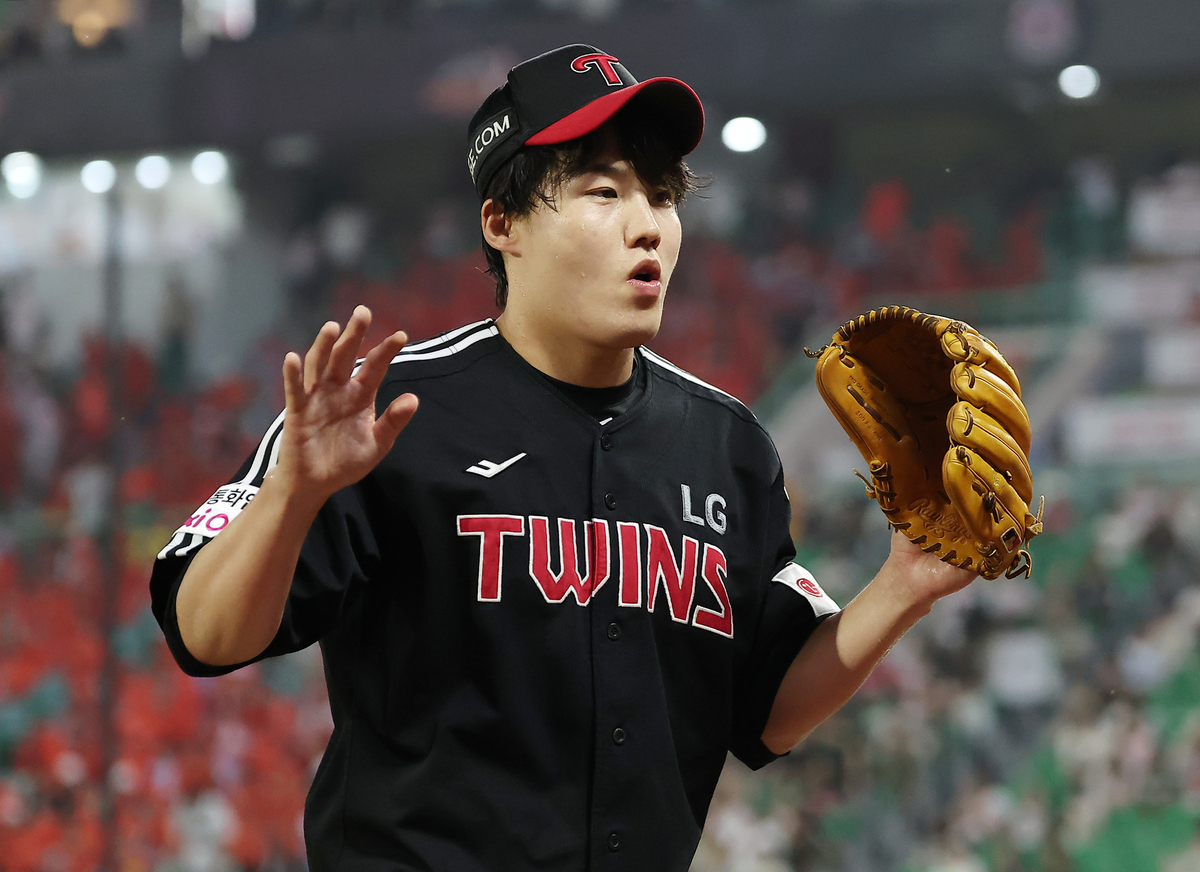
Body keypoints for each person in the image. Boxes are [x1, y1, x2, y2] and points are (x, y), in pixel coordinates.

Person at [150, 44, 976, 872]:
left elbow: (768, 713)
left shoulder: (726, 445)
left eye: (661, 196)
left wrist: (903, 585)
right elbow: (203, 634)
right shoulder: (383, 413)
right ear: (502, 224)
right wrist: (294, 493)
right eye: (604, 192)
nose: (646, 225)